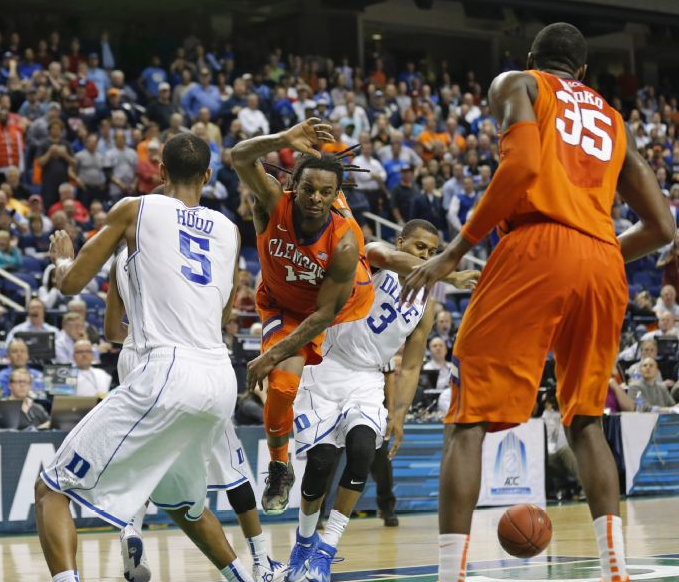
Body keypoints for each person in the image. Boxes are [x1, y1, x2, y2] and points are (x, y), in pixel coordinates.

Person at [400, 23, 675, 582]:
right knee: (587, 421)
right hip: (603, 263)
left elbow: (522, 167)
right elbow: (663, 226)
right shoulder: (612, 119)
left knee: (467, 420)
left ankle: (450, 573)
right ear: (585, 73)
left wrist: (454, 252)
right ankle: (615, 568)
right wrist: (595, 249)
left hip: (536, 247)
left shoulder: (518, 83)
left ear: (531, 58)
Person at [34, 133, 255, 582]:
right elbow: (226, 312)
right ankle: (247, 577)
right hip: (219, 379)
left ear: (161, 172)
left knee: (50, 488)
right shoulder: (231, 231)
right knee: (184, 506)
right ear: (209, 177)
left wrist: (62, 260)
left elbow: (72, 284)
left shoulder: (136, 209)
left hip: (167, 370)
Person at [286, 219, 478, 582]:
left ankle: (326, 551)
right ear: (402, 240)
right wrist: (448, 274)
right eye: (420, 247)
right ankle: (304, 542)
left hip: (368, 377)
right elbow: (384, 254)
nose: (427, 256)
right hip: (327, 364)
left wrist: (400, 414)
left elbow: (411, 366)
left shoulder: (426, 304)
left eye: (433, 252)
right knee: (322, 461)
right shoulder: (375, 257)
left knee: (361, 452)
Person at [104, 245, 286, 582]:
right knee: (233, 465)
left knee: (146, 458)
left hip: (133, 357)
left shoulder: (119, 258)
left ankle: (131, 529)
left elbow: (112, 331)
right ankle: (261, 561)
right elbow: (218, 312)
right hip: (187, 360)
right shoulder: (178, 238)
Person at [232, 117, 376, 515]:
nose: (315, 197)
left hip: (332, 308)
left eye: (326, 192)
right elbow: (238, 156)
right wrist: (280, 138)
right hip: (282, 306)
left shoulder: (345, 241)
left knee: (371, 264)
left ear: (335, 196)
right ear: (294, 187)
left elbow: (324, 315)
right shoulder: (273, 201)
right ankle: (280, 467)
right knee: (281, 389)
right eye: (309, 189)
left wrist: (270, 354)